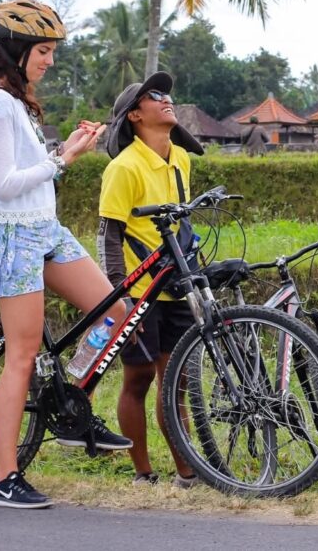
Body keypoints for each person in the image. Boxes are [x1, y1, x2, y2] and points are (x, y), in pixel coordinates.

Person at [0, 0, 131, 509]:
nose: (50, 60)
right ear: (18, 49)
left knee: (116, 312)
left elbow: (29, 172)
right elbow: (5, 185)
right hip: (11, 235)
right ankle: (5, 478)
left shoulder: (17, 99)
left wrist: (62, 152)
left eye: (52, 51)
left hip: (44, 229)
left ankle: (72, 408)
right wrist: (65, 157)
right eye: (44, 51)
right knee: (22, 356)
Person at [98, 72, 204, 487]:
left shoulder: (181, 158)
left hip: (177, 286)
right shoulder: (123, 168)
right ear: (135, 115)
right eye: (154, 96)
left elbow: (183, 223)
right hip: (141, 291)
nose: (166, 99)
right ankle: (142, 470)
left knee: (174, 381)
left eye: (168, 94)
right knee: (138, 378)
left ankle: (188, 470)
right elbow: (109, 235)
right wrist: (119, 296)